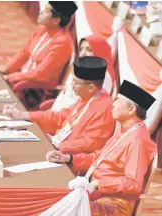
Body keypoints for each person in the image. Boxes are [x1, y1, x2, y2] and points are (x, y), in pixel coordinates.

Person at [46, 80, 157, 216]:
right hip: (95, 189)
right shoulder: (125, 129)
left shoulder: (137, 140)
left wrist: (99, 184)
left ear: (131, 109)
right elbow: (99, 157)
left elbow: (133, 184)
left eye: (117, 100)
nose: (113, 105)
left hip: (115, 202)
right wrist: (69, 158)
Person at [3, 56, 115, 154]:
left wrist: (59, 144)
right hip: (57, 146)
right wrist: (23, 115)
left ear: (91, 87)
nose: (71, 85)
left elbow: (92, 144)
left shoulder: (105, 108)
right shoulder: (85, 99)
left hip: (69, 158)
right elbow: (59, 117)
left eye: (76, 82)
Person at [2, 1, 78, 109]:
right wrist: (5, 71)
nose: (41, 12)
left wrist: (11, 77)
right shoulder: (41, 29)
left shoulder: (62, 43)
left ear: (56, 20)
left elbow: (40, 74)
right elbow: (23, 53)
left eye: (46, 11)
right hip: (22, 78)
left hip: (38, 89)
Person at [41, 35, 117, 112]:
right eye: (81, 49)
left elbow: (89, 106)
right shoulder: (78, 69)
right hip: (57, 112)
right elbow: (66, 94)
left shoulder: (104, 77)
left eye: (89, 50)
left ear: (99, 52)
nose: (83, 53)